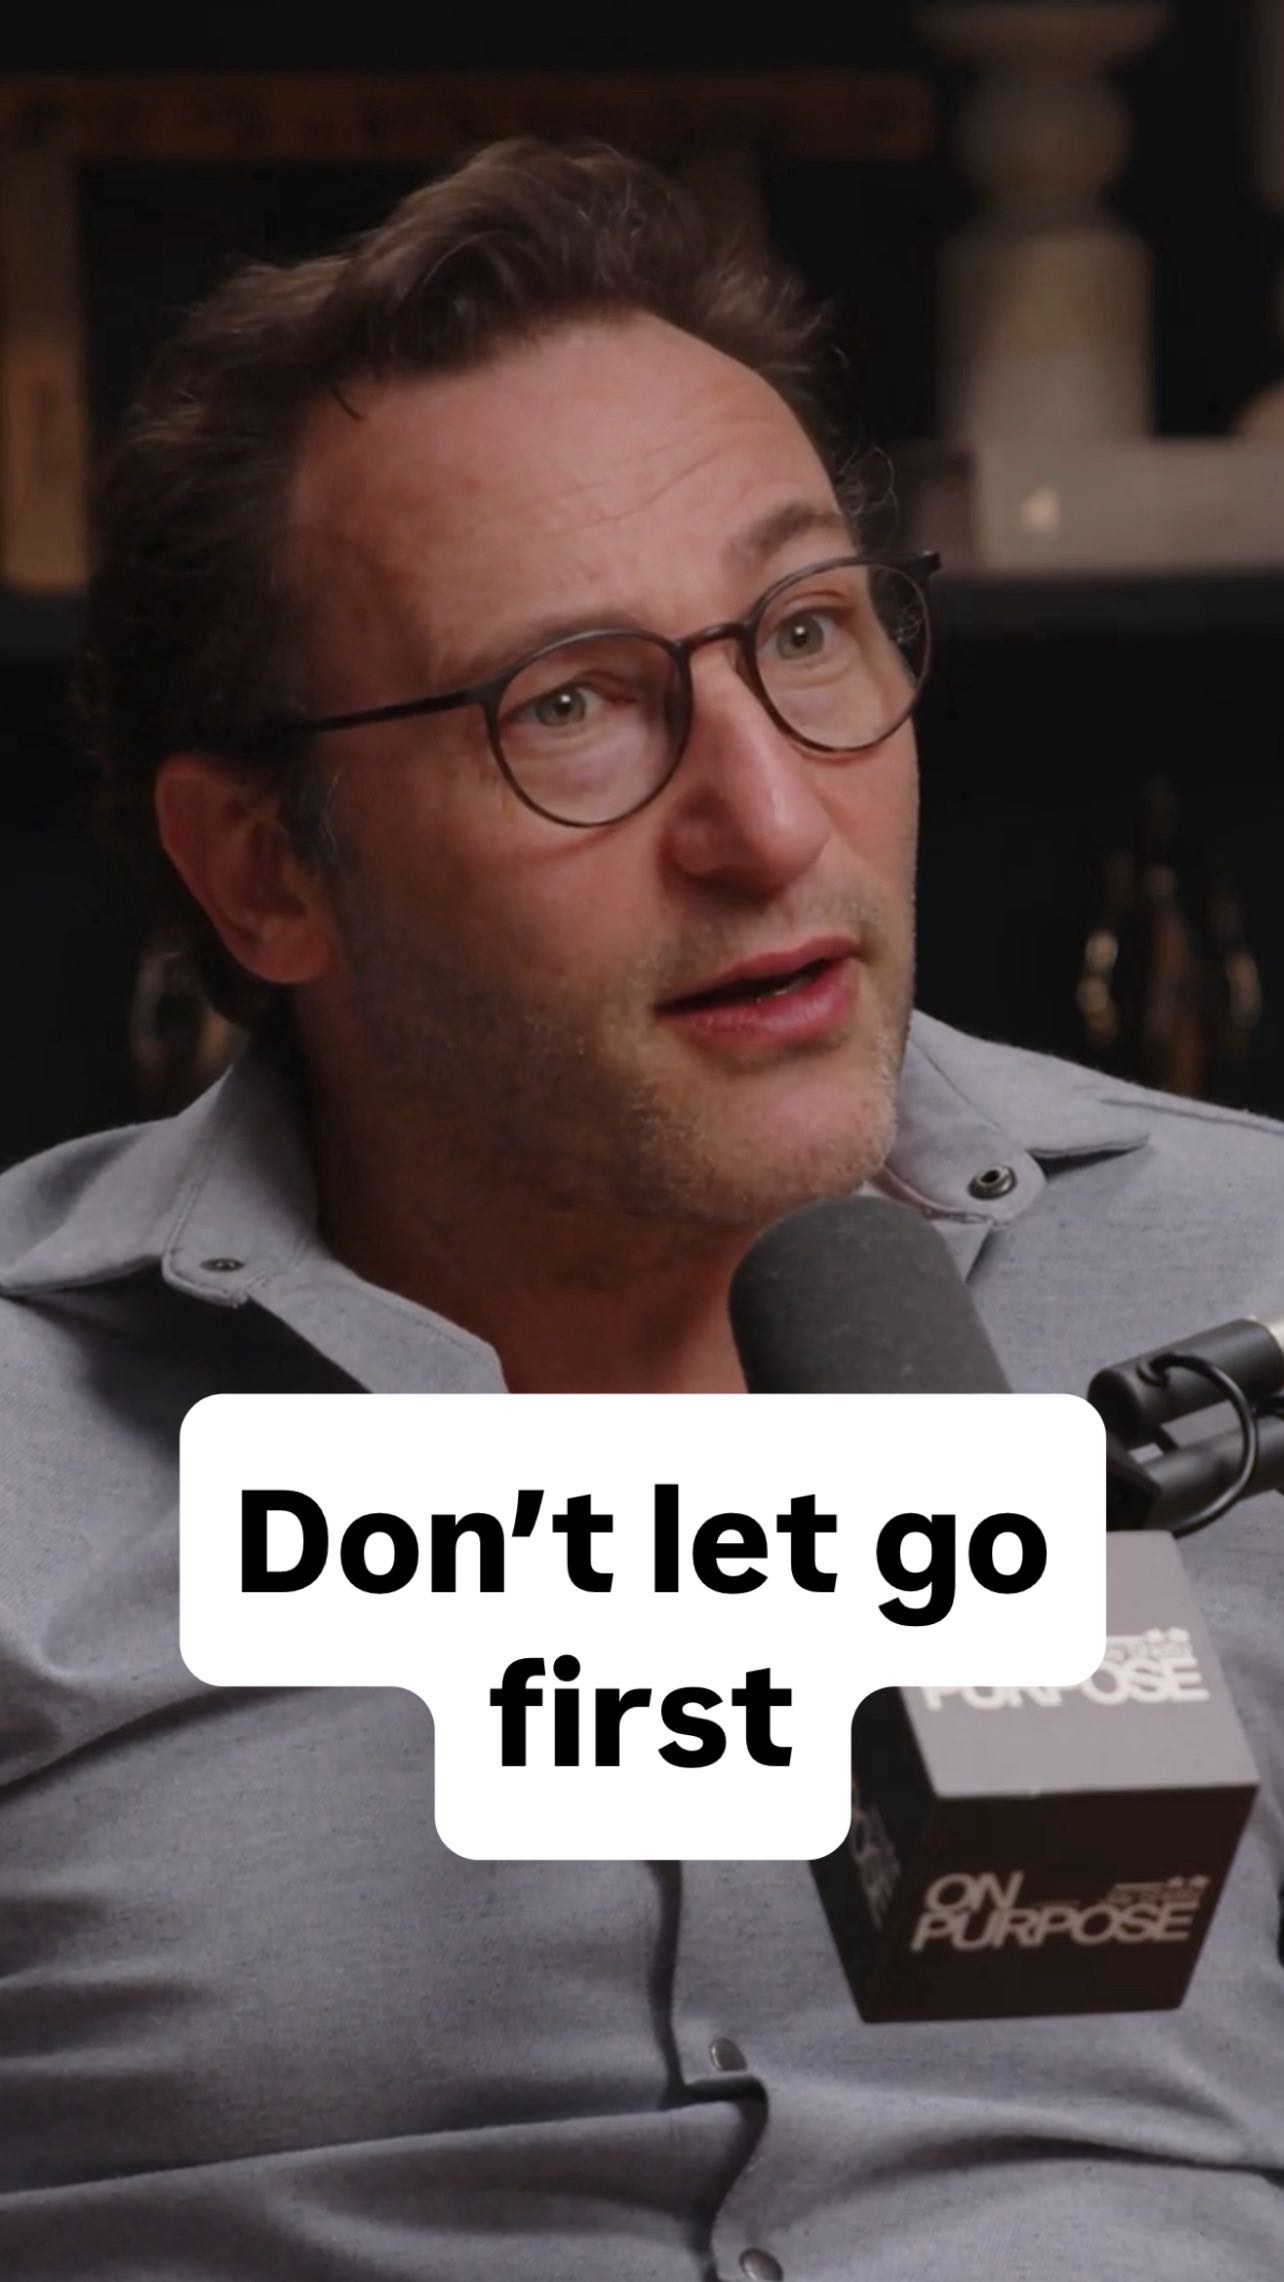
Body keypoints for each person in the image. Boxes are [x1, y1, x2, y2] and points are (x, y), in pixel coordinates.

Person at [1, 137, 1281, 2282]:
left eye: (809, 632)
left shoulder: (1253, 1288)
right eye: (571, 705)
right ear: (265, 871)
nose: (769, 822)